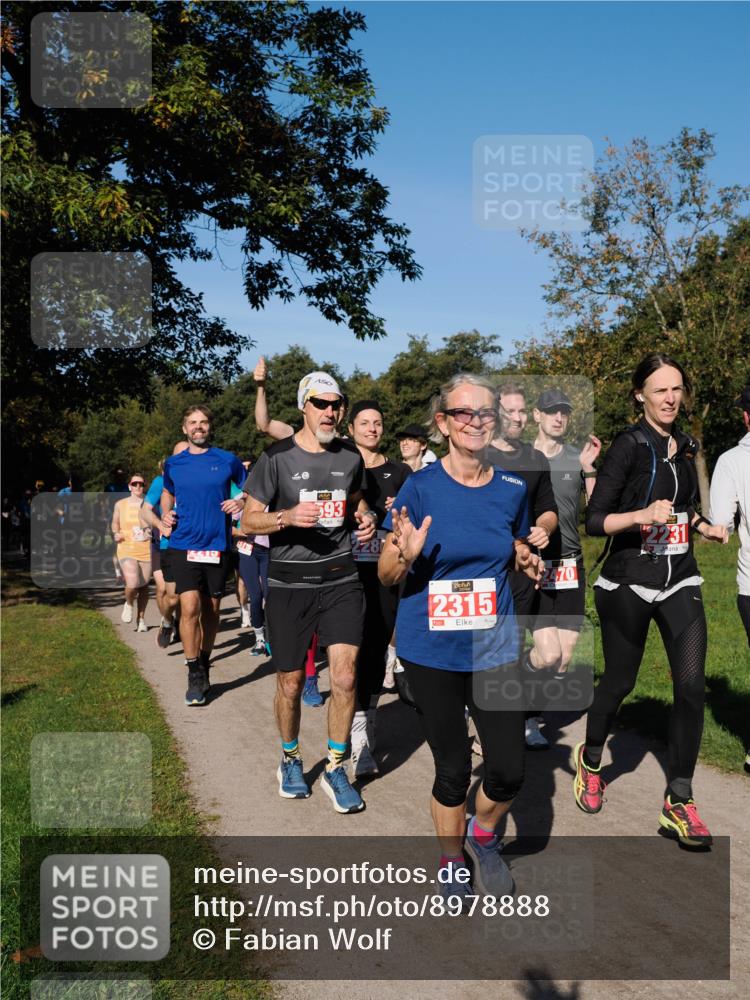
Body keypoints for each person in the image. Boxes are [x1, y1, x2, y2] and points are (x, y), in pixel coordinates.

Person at [379, 373, 543, 901]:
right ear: (444, 423)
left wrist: (523, 557)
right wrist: (404, 553)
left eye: (484, 412)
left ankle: (483, 834)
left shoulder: (511, 489)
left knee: (509, 769)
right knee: (452, 768)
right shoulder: (420, 487)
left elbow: (507, 542)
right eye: (463, 413)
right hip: (432, 649)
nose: (475, 421)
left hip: (493, 643)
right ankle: (452, 859)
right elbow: (385, 573)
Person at [575, 353, 727, 847]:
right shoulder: (629, 446)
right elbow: (595, 521)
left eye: (677, 388)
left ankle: (679, 799)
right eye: (660, 390)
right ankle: (591, 760)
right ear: (640, 394)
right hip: (630, 582)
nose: (670, 398)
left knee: (691, 687)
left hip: (680, 577)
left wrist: (705, 526)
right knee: (620, 681)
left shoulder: (686, 445)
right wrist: (641, 515)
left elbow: (682, 507)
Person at [241, 371, 378, 814]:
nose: (330, 412)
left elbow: (356, 500)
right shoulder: (276, 457)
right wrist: (284, 517)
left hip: (341, 578)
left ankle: (336, 767)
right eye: (321, 403)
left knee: (345, 677)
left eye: (336, 404)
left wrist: (366, 516)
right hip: (289, 583)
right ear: (304, 406)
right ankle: (290, 758)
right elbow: (247, 520)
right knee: (291, 682)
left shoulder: (349, 456)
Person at [526, 388, 601, 748]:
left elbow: (598, 509)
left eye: (564, 412)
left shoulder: (576, 457)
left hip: (571, 565)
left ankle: (531, 708)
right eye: (551, 411)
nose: (558, 417)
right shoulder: (522, 458)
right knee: (548, 652)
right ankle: (527, 718)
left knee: (563, 657)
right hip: (534, 565)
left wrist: (589, 469)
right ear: (536, 415)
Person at [486, 380, 558, 750]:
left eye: (521, 411)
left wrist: (544, 529)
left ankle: (524, 714)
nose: (516, 418)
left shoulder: (536, 459)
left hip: (530, 568)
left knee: (550, 654)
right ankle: (502, 722)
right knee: (501, 651)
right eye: (508, 411)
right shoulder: (479, 455)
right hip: (492, 571)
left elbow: (548, 509)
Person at [160, 405, 247, 706]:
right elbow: (167, 492)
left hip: (216, 545)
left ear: (210, 426)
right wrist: (165, 514)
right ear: (184, 428)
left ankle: (205, 661)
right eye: (192, 422)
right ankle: (193, 670)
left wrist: (241, 501)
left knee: (211, 610)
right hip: (183, 543)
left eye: (203, 422)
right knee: (189, 607)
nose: (198, 427)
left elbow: (252, 488)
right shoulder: (174, 463)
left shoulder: (227, 459)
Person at [346, 399, 411, 776]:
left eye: (378, 423)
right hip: (343, 571)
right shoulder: (338, 465)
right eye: (365, 423)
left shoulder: (400, 472)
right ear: (351, 428)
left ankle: (363, 728)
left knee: (373, 650)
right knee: (346, 651)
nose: (372, 429)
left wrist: (403, 510)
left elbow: (417, 520)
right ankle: (351, 727)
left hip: (384, 573)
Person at [709, 384, 750, 773]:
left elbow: (721, 521)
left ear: (745, 416)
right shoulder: (733, 460)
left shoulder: (730, 461)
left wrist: (716, 528)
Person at [140, 444, 189, 649]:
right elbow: (145, 510)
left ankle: (193, 653)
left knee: (192, 598)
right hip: (168, 544)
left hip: (196, 545)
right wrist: (160, 525)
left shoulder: (200, 478)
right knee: (172, 596)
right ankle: (168, 621)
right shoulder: (161, 482)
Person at [111, 473, 152, 631]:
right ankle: (128, 603)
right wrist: (116, 533)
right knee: (132, 583)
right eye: (135, 484)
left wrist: (151, 532)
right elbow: (115, 523)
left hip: (146, 548)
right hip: (126, 546)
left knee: (144, 586)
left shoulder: (150, 502)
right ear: (129, 486)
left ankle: (141, 620)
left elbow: (157, 521)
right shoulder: (120, 504)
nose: (138, 486)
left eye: (141, 484)